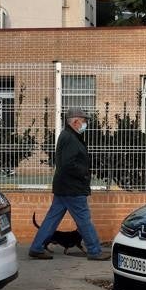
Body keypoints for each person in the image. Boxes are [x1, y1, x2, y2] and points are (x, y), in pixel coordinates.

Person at [29, 108, 108, 261]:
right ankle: (94, 251)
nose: (85, 124)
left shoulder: (68, 135)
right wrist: (84, 173)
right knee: (84, 219)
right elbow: (68, 164)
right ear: (75, 121)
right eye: (84, 121)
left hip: (64, 187)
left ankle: (37, 247)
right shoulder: (70, 138)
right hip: (72, 188)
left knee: (52, 219)